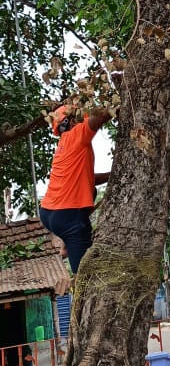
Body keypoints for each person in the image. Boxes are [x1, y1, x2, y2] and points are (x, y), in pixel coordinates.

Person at [39, 103, 111, 275]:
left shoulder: (64, 145)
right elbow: (101, 115)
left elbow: (87, 180)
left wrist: (113, 174)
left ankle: (66, 244)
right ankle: (70, 244)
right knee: (86, 274)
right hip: (68, 216)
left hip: (48, 212)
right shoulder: (77, 134)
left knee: (89, 191)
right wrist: (116, 100)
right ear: (72, 121)